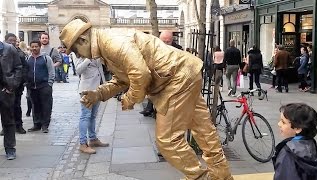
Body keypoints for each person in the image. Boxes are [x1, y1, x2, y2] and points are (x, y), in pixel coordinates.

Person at [60, 19, 233, 180]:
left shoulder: (111, 42)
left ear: (83, 40)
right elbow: (122, 79)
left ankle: (198, 177)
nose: (78, 55)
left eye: (75, 50)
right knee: (202, 129)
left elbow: (140, 74)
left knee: (168, 140)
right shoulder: (106, 46)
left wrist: (130, 98)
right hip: (182, 73)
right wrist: (98, 93)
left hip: (175, 79)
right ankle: (221, 174)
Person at [140, 30, 183, 117]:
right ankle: (151, 108)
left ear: (172, 40)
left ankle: (157, 110)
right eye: (164, 41)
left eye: (168, 41)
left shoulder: (178, 49)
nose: (166, 43)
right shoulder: (154, 47)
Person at [273, 103, 317, 180]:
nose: (279, 124)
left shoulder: (288, 153)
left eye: (283, 122)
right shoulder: (312, 146)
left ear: (298, 128)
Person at [75, 57, 109, 154]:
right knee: (85, 116)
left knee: (93, 116)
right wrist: (88, 59)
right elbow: (78, 70)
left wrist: (104, 84)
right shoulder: (79, 52)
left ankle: (93, 139)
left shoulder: (95, 50)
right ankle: (82, 143)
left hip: (97, 89)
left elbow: (100, 68)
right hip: (86, 89)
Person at [0, 38, 23, 160]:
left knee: (8, 121)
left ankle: (10, 149)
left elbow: (18, 67)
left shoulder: (9, 49)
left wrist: (12, 86)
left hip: (5, 90)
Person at [1, 33, 28, 134]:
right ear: (6, 40)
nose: (12, 42)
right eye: (10, 40)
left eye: (14, 41)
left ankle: (18, 125)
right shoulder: (2, 51)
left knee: (16, 105)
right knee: (5, 107)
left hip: (17, 85)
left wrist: (20, 81)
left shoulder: (20, 54)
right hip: (4, 85)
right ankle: (6, 127)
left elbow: (23, 68)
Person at [26, 40, 55, 133]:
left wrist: (49, 83)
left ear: (39, 47)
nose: (34, 48)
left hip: (44, 86)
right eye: (32, 47)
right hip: (32, 87)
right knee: (35, 106)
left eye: (36, 46)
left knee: (46, 106)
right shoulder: (28, 59)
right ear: (30, 47)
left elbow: (51, 71)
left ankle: (45, 125)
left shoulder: (46, 58)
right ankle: (36, 124)